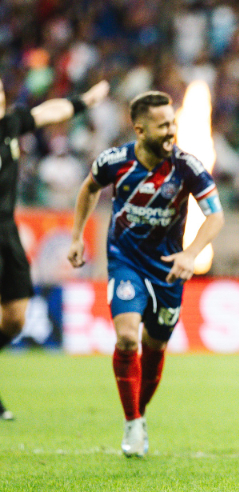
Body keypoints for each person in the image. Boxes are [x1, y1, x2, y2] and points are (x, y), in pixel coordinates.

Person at [67, 91, 224, 457]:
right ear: (139, 129)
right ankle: (133, 421)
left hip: (170, 268)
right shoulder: (114, 162)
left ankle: (139, 413)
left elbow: (215, 215)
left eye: (173, 123)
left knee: (155, 345)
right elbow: (89, 188)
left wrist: (191, 253)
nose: (171, 131)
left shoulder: (188, 166)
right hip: (125, 260)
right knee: (126, 339)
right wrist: (77, 236)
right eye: (163, 125)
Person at [0, 78, 109, 421]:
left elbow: (48, 111)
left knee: (15, 318)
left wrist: (85, 101)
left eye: (1, 93)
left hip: (6, 230)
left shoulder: (9, 125)